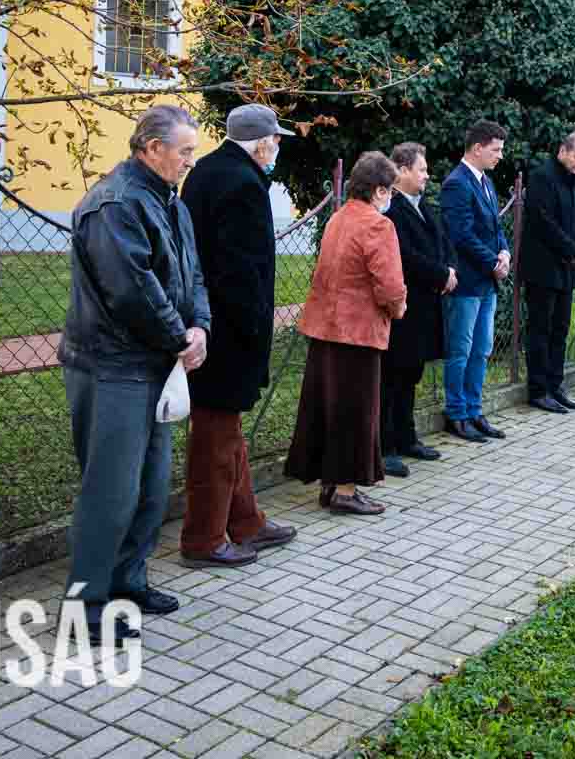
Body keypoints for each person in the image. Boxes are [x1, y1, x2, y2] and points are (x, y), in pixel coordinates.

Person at [59, 105, 210, 645]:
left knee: (149, 487)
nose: (190, 161)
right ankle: (85, 607)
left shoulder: (169, 200)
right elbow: (131, 290)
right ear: (151, 148)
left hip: (153, 364)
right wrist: (179, 337)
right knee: (110, 493)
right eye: (184, 151)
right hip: (112, 366)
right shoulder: (116, 203)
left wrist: (199, 326)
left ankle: (128, 583)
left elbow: (192, 274)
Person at [179, 103, 298, 568]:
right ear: (260, 142)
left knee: (225, 428)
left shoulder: (209, 171)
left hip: (211, 320)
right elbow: (241, 270)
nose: (279, 145)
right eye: (276, 138)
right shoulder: (242, 183)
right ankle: (204, 538)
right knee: (214, 434)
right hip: (228, 330)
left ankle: (246, 521)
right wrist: (252, 328)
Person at [285, 152, 408, 515]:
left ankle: (329, 482)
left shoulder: (338, 218)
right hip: (357, 331)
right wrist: (399, 308)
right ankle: (345, 489)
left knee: (326, 407)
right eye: (391, 191)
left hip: (324, 327)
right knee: (355, 411)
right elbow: (390, 285)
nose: (392, 198)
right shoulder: (378, 225)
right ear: (380, 190)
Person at [381, 142, 453, 477]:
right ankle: (385, 446)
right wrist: (440, 274)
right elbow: (404, 256)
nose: (427, 175)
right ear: (402, 170)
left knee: (411, 374)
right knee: (391, 377)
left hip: (426, 304)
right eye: (422, 169)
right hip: (403, 307)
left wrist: (449, 270)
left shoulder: (423, 206)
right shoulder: (391, 209)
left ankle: (406, 437)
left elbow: (443, 243)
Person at [440, 120, 511, 444]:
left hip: (487, 283)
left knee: (482, 349)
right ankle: (456, 414)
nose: (500, 155)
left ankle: (474, 410)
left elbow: (495, 228)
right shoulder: (457, 183)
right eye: (496, 149)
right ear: (478, 148)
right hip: (467, 282)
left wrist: (504, 252)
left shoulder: (486, 182)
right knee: (461, 350)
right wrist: (493, 263)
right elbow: (462, 235)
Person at [520, 131, 575, 414]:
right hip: (543, 267)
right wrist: (571, 249)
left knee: (560, 329)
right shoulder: (541, 177)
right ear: (562, 151)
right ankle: (538, 390)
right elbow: (542, 221)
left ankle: (555, 384)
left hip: (567, 268)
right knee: (541, 329)